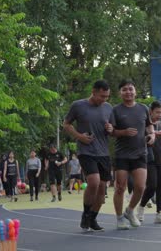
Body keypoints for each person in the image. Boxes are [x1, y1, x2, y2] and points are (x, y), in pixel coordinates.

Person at [63, 79, 115, 231]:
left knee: (102, 188)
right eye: (101, 96)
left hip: (104, 152)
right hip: (86, 151)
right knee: (93, 181)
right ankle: (85, 214)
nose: (104, 100)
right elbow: (66, 124)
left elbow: (111, 130)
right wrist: (79, 136)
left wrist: (110, 128)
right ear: (93, 91)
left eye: (107, 97)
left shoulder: (108, 108)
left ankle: (93, 218)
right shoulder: (78, 105)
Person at [111, 79, 155, 230]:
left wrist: (153, 135)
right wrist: (123, 132)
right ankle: (119, 218)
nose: (128, 92)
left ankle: (130, 211)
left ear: (135, 91)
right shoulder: (115, 110)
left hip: (140, 153)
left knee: (141, 187)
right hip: (122, 154)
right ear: (120, 93)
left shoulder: (143, 108)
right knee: (120, 188)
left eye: (130, 89)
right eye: (124, 89)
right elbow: (111, 131)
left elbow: (149, 125)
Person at [137, 101, 161, 224]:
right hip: (149, 159)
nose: (160, 115)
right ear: (150, 111)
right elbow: (139, 141)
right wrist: (152, 135)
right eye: (157, 112)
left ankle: (159, 213)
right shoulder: (143, 125)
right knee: (152, 185)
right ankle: (141, 207)